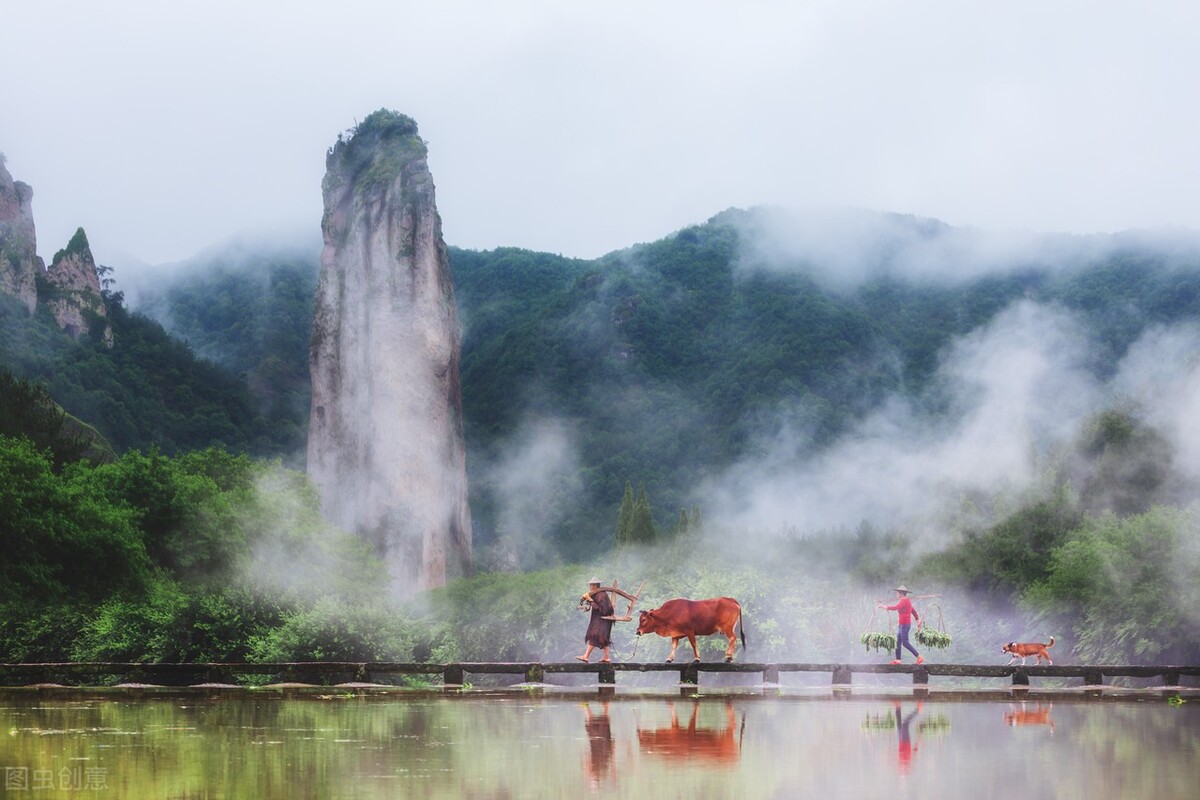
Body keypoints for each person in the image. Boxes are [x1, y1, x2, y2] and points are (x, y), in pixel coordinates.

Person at [877, 585, 922, 665]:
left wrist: (884, 606)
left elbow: (895, 607)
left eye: (897, 593)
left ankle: (919, 657)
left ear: (901, 593)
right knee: (898, 641)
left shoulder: (905, 601)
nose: (896, 594)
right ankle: (898, 660)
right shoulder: (905, 601)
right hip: (902, 625)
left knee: (905, 642)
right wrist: (918, 620)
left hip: (905, 625)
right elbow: (913, 611)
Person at [577, 578, 614, 663]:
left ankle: (586, 656)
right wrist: (588, 601)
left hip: (603, 620)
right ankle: (605, 657)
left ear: (594, 586)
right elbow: (594, 605)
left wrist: (589, 599)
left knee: (596, 635)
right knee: (600, 637)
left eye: (591, 585)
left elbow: (599, 608)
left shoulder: (601, 595)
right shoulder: (597, 594)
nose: (590, 587)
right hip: (599, 620)